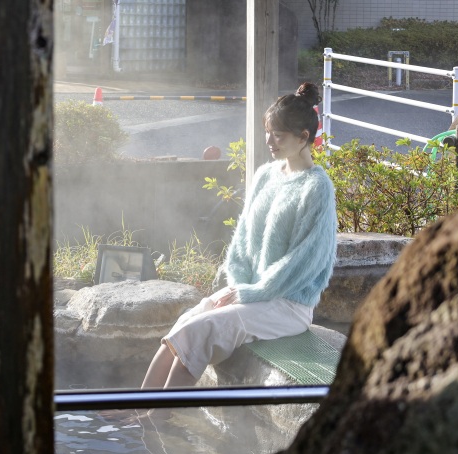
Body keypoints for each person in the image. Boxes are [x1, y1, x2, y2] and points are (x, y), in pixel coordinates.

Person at [141, 82, 337, 390]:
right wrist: (238, 285)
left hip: (288, 305)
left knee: (203, 329)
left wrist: (252, 293)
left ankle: (156, 422)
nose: (270, 141)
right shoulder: (266, 176)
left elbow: (305, 261)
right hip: (252, 294)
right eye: (268, 131)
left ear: (303, 137)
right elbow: (243, 239)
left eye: (279, 134)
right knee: (189, 320)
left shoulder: (316, 187)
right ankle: (136, 407)